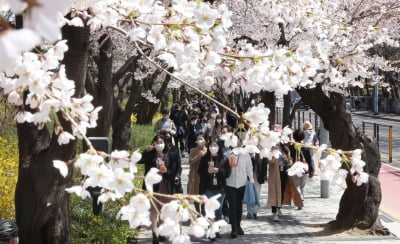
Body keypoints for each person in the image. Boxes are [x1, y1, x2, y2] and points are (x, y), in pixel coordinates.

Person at [137, 135, 176, 244]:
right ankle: (155, 235)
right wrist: (145, 150)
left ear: (165, 143)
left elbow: (173, 171)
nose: (159, 144)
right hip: (152, 186)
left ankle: (161, 230)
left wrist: (166, 171)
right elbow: (138, 160)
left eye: (161, 142)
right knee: (153, 211)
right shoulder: (149, 155)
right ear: (153, 144)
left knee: (163, 211)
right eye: (157, 142)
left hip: (165, 186)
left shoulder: (170, 155)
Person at [198, 140, 231, 240]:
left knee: (218, 210)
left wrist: (219, 170)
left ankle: (216, 229)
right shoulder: (205, 158)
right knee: (209, 210)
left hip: (220, 189)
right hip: (208, 188)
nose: (213, 147)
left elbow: (227, 173)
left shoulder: (224, 159)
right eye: (211, 145)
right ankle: (211, 230)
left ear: (219, 147)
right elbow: (199, 172)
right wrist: (207, 171)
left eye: (215, 145)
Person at [225, 146, 253, 238]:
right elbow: (224, 168)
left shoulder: (245, 155)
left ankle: (238, 225)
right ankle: (233, 228)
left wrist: (251, 181)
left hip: (242, 183)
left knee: (239, 205)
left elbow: (249, 168)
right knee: (232, 205)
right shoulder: (227, 154)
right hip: (230, 183)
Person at [287, 129, 315, 206]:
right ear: (303, 137)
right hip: (304, 169)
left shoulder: (291, 147)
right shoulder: (306, 148)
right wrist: (312, 170)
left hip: (294, 168)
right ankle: (301, 197)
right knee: (302, 186)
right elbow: (310, 160)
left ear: (294, 137)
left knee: (296, 186)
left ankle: (300, 200)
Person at [267, 143, 292, 221]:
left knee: (282, 191)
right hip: (275, 173)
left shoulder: (285, 149)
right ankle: (274, 212)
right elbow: (269, 161)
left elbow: (290, 160)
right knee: (274, 192)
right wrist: (272, 153)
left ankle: (279, 208)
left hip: (283, 172)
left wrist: (288, 161)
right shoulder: (272, 148)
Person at [187, 134, 208, 214]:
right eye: (198, 139)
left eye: (201, 139)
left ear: (205, 141)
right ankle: (198, 211)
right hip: (195, 175)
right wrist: (198, 156)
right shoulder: (193, 150)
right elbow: (191, 162)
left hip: (204, 175)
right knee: (196, 193)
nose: (200, 141)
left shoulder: (207, 150)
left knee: (203, 193)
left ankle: (203, 209)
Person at [246, 152, 267, 219]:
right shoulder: (248, 152)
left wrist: (264, 177)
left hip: (258, 177)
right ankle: (249, 212)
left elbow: (264, 165)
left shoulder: (262, 153)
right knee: (250, 194)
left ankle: (255, 212)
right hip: (249, 177)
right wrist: (251, 157)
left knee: (257, 194)